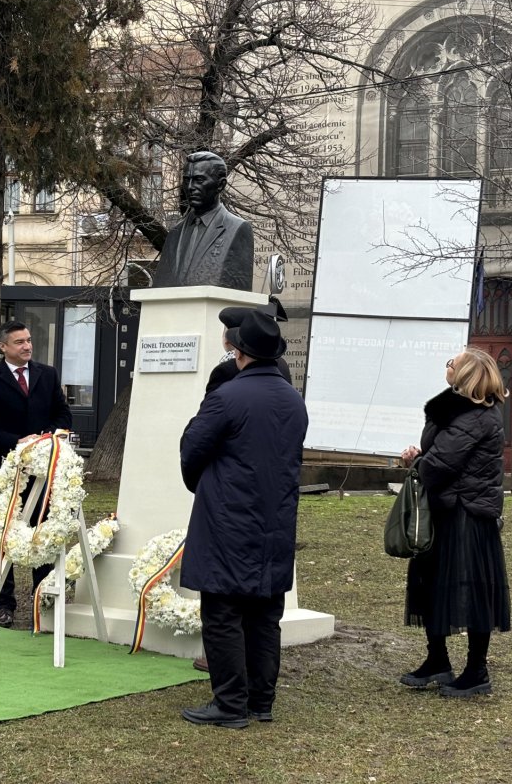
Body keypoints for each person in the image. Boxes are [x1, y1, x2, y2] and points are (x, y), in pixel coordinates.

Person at [178, 310, 308, 729]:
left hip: (228, 519)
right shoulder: (293, 399)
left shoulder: (227, 396)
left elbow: (191, 450)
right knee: (265, 615)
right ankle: (260, 702)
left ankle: (230, 704)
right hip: (276, 518)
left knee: (222, 613)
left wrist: (209, 484)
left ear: (241, 352)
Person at [398, 347, 511, 697]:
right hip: (447, 509)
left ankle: (476, 671)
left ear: (468, 376)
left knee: (470, 590)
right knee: (433, 584)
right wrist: (421, 458)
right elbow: (438, 454)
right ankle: (438, 661)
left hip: (467, 514)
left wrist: (418, 465)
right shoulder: (455, 410)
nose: (447, 366)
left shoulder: (476, 417)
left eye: (454, 363)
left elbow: (443, 463)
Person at [0, 320, 73, 628]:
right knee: (6, 537)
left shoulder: (47, 374)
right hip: (9, 471)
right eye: (19, 342)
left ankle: (42, 603)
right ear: (3, 346)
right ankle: (5, 605)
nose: (27, 346)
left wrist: (48, 439)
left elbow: (62, 413)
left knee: (43, 534)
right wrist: (16, 443)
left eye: (29, 340)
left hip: (45, 470)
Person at [153, 151, 254, 290]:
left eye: (199, 180)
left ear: (220, 185)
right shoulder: (174, 233)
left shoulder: (238, 229)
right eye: (187, 180)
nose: (190, 187)